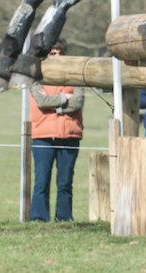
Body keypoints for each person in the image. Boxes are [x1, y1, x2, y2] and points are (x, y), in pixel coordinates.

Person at [28, 39, 84, 222]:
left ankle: (64, 217)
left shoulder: (75, 76)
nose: (57, 56)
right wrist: (64, 97)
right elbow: (41, 102)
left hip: (69, 135)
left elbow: (77, 102)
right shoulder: (36, 77)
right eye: (53, 53)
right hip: (43, 136)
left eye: (61, 52)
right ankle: (39, 218)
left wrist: (55, 104)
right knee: (42, 181)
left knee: (65, 182)